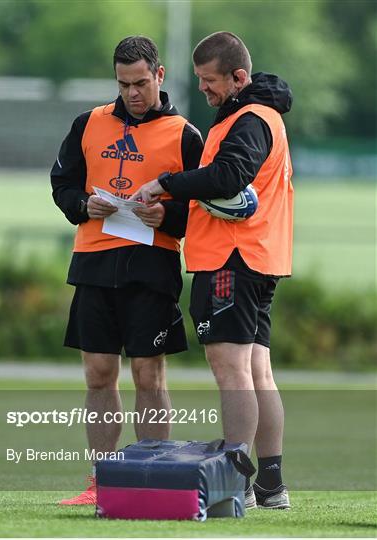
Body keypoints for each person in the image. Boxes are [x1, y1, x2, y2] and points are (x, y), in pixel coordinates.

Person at [132, 31, 293, 510]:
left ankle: (235, 482)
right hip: (258, 258)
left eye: (210, 81)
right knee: (258, 372)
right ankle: (270, 483)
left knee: (232, 371)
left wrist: (166, 183)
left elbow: (227, 177)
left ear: (239, 78)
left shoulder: (249, 119)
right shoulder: (259, 115)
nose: (203, 89)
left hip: (232, 259)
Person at [51, 35, 203, 505]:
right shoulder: (88, 123)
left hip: (151, 267)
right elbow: (62, 184)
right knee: (98, 374)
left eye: (140, 82)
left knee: (148, 375)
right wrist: (83, 203)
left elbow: (203, 206)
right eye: (123, 84)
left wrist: (169, 217)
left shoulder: (185, 134)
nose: (132, 93)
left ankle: (151, 477)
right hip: (94, 262)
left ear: (158, 75)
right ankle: (101, 481)